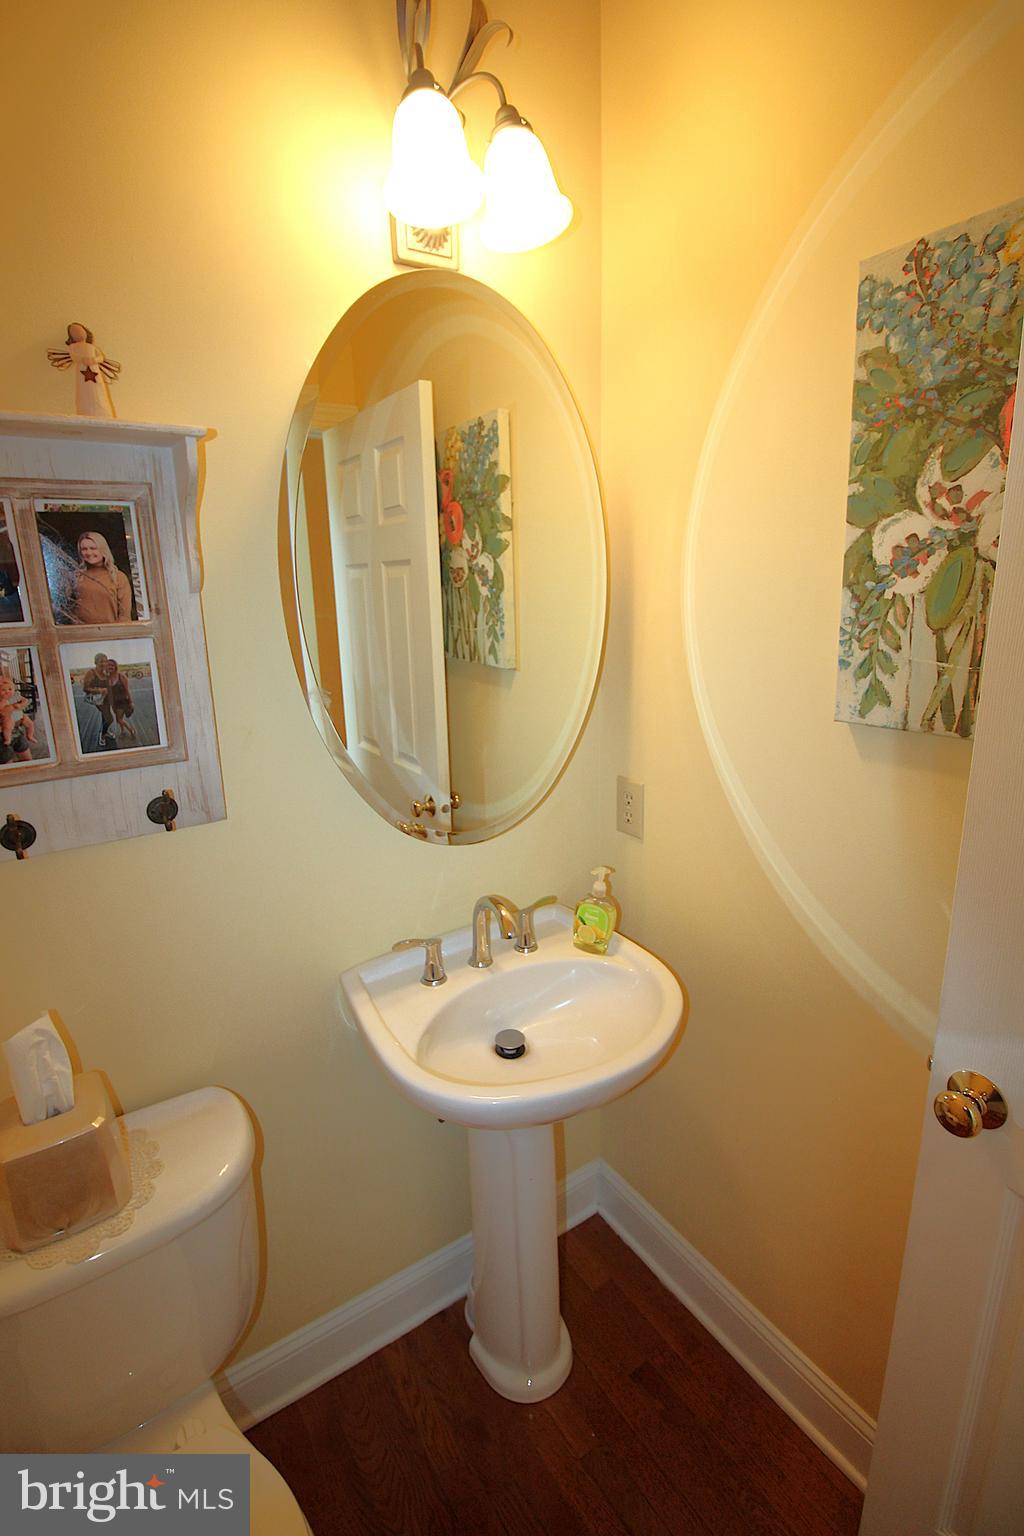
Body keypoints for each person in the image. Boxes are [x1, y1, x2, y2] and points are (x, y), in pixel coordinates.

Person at [71, 531, 134, 624]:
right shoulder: (76, 577)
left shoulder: (118, 577)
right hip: (81, 634)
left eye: (93, 548)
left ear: (103, 549)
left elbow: (125, 616)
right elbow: (69, 609)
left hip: (109, 634)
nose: (88, 552)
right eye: (84, 549)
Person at [82, 652, 115, 746]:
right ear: (96, 662)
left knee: (105, 717)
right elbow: (85, 688)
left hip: (107, 698)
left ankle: (106, 731)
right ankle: (103, 735)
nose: (104, 663)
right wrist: (99, 690)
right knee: (109, 719)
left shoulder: (106, 672)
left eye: (105, 661)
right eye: (101, 661)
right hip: (99, 699)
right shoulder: (91, 673)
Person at [103, 656, 136, 740]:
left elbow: (127, 690)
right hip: (114, 702)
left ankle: (131, 730)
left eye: (112, 665)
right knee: (119, 718)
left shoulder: (121, 676)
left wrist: (131, 702)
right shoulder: (107, 677)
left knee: (119, 719)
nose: (110, 667)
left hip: (122, 701)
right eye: (108, 665)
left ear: (115, 667)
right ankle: (123, 732)